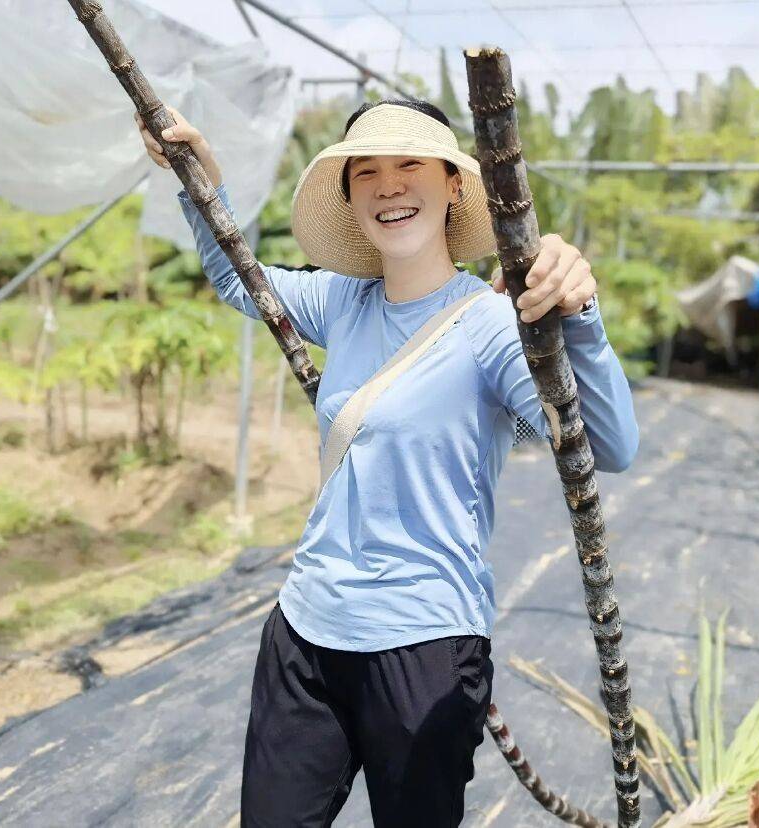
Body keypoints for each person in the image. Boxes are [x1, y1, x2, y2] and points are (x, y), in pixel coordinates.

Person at [136, 98, 638, 828]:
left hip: (424, 650)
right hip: (305, 635)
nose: (388, 184)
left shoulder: (492, 326)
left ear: (452, 187)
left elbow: (610, 447)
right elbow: (237, 278)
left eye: (410, 165)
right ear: (349, 199)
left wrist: (582, 319)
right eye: (364, 172)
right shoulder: (342, 300)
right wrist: (199, 179)